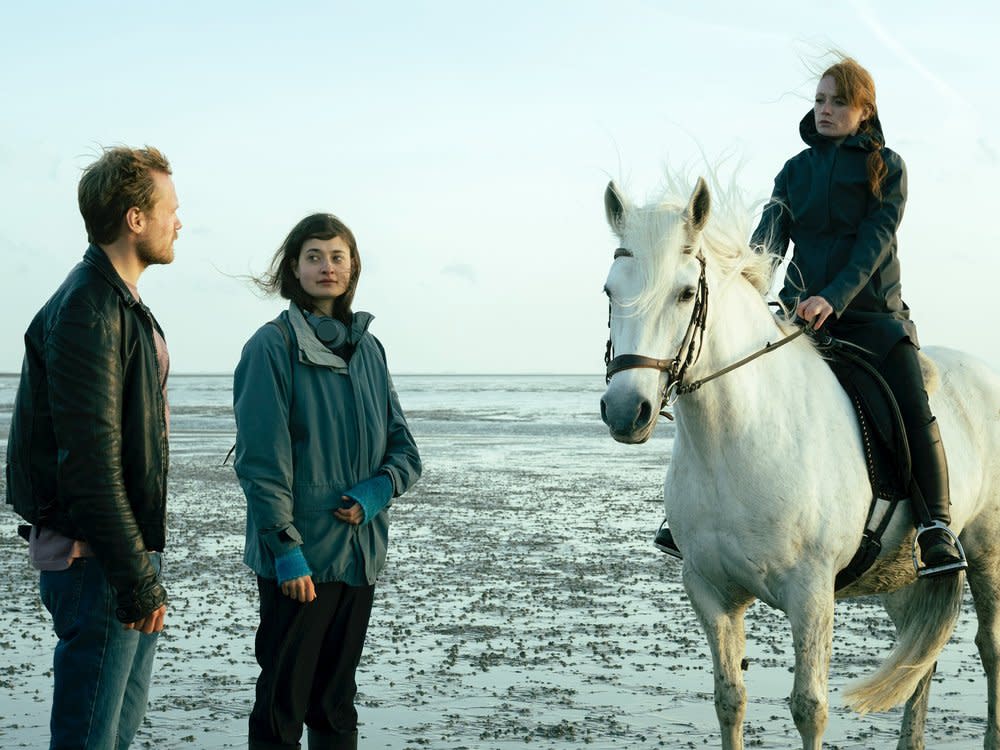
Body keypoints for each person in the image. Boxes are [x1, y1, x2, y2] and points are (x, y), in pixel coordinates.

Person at [654, 56, 967, 578]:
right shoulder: (793, 172)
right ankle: (691, 516)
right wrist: (749, 289)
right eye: (819, 101)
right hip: (800, 318)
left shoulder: (887, 167)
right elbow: (767, 244)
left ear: (863, 110)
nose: (824, 110)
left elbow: (873, 245)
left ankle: (936, 527)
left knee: (913, 406)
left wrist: (833, 298)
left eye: (837, 102)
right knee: (721, 390)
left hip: (872, 318)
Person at [5, 145, 181, 748]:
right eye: (170, 210)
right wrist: (135, 577)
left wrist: (142, 565)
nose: (178, 222)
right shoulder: (88, 307)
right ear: (135, 219)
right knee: (88, 740)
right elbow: (91, 462)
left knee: (112, 736)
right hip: (97, 561)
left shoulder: (119, 303)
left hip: (121, 553)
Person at [233, 213, 422, 750]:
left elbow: (405, 449)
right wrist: (285, 549)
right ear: (293, 268)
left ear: (353, 266)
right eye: (313, 256)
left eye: (337, 256)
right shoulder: (270, 348)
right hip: (300, 563)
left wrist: (378, 489)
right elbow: (260, 463)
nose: (327, 267)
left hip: (359, 557)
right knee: (282, 708)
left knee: (336, 707)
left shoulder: (370, 349)